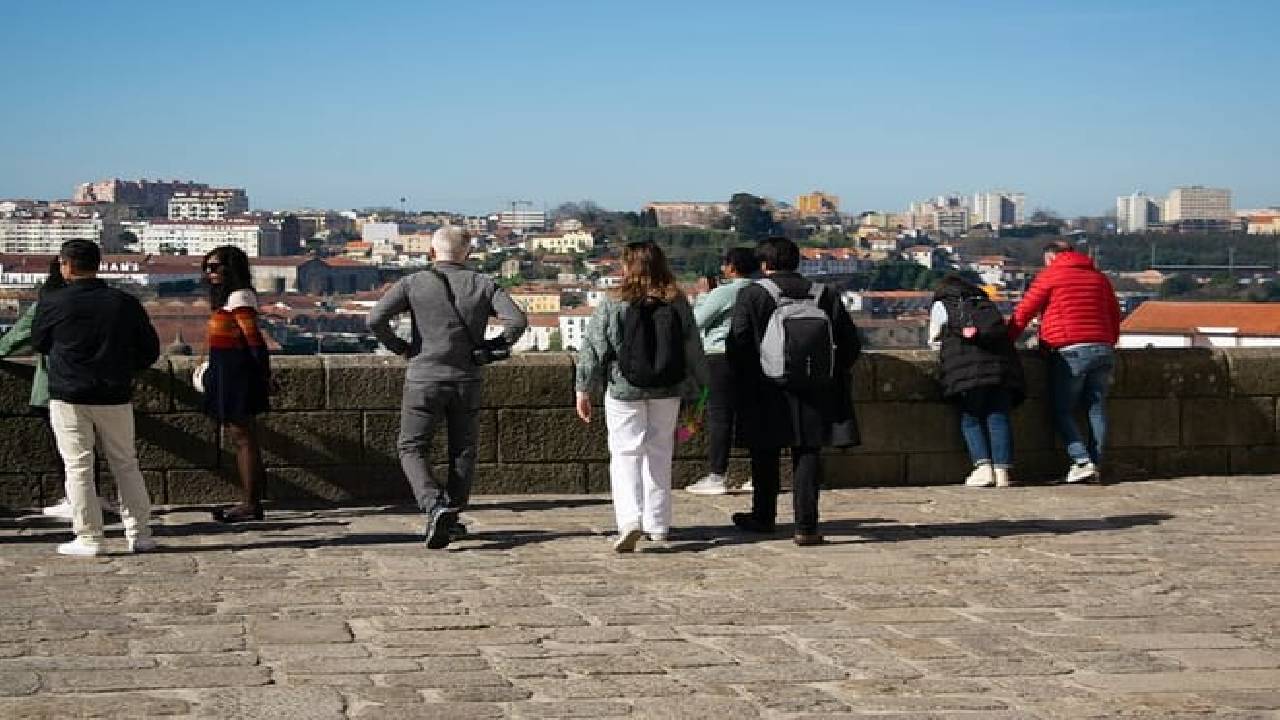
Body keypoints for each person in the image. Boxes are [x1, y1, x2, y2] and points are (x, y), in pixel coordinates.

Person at [369, 227, 527, 550]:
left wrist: (401, 347)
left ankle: (433, 504)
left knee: (411, 446)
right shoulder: (483, 284)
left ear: (431, 252)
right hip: (466, 378)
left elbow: (375, 319)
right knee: (462, 449)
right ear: (467, 253)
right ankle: (451, 514)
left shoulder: (414, 283)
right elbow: (517, 321)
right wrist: (492, 347)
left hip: (423, 376)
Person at [726, 237, 860, 546]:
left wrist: (749, 376)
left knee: (765, 452)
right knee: (808, 453)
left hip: (765, 387)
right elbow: (850, 344)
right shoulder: (824, 294)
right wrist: (827, 372)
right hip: (815, 387)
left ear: (763, 265)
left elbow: (738, 342)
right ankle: (807, 526)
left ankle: (763, 516)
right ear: (798, 262)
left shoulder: (753, 294)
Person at [575, 241, 707, 552]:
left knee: (625, 453)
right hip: (668, 387)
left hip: (625, 387)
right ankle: (658, 524)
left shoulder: (614, 301)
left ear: (626, 266)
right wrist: (701, 387)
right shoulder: (676, 300)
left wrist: (583, 387)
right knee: (660, 452)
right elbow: (692, 348)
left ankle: (630, 520)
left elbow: (595, 346)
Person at [32, 240, 160, 556]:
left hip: (69, 394)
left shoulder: (54, 303)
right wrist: (123, 369)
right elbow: (149, 350)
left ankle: (89, 537)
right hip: (114, 393)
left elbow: (39, 342)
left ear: (67, 265)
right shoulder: (123, 302)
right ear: (97, 264)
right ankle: (140, 534)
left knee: (78, 467)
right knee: (126, 464)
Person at [0, 260, 116, 519]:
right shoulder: (108, 302)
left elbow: (16, 340)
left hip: (57, 386)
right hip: (103, 383)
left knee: (69, 450)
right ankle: (94, 497)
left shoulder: (50, 303)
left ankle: (76, 500)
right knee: (105, 452)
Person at [1007, 240, 1121, 484]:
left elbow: (1024, 312)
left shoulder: (1051, 276)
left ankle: (1082, 461)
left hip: (1070, 349)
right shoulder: (1099, 278)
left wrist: (1005, 342)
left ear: (1051, 257)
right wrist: (1110, 340)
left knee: (1062, 410)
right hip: (1103, 348)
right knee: (1096, 409)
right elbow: (1114, 313)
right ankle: (1096, 463)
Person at [929, 274, 1025, 488]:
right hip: (1001, 369)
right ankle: (1003, 472)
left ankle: (983, 469)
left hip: (966, 371)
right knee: (998, 416)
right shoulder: (984, 302)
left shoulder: (943, 304)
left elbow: (935, 340)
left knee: (970, 418)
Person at [201, 246, 272, 523]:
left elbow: (254, 340)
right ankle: (250, 501)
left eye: (216, 267)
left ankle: (250, 504)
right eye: (207, 268)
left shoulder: (240, 297)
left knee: (244, 438)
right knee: (242, 437)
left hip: (237, 373)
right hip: (226, 371)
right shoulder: (227, 298)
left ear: (233, 268)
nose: (211, 273)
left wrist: (263, 376)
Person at [685, 247, 760, 496]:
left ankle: (717, 475)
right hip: (756, 358)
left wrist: (705, 295)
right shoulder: (762, 290)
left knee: (720, 417)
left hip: (721, 357)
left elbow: (695, 322)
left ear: (732, 267)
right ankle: (759, 475)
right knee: (753, 415)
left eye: (724, 265)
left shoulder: (724, 292)